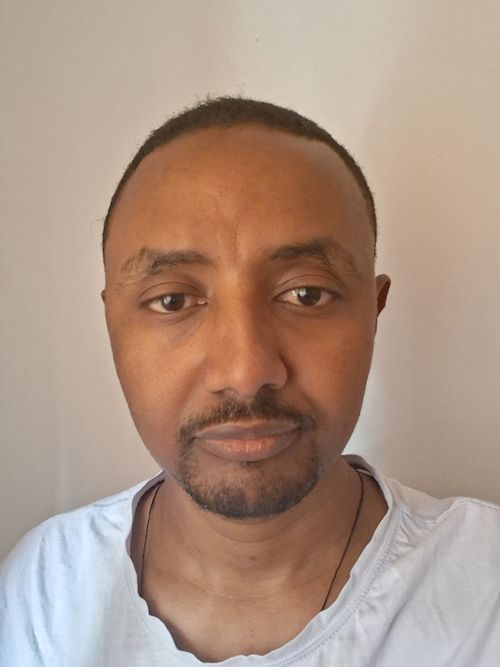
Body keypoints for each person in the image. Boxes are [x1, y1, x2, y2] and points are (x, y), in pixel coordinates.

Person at [1, 97, 499, 667]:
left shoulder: (485, 589)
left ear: (374, 310)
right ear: (113, 322)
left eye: (306, 294)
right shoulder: (46, 592)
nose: (244, 372)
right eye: (173, 300)